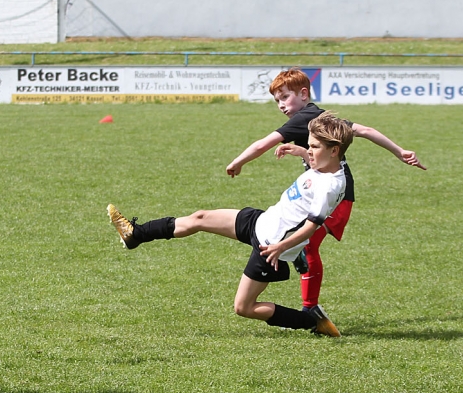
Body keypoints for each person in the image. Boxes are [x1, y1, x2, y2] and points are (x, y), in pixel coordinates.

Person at [107, 112, 354, 337]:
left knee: (243, 307)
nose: (309, 150)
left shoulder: (330, 187)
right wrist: (300, 152)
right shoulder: (327, 163)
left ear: (334, 150)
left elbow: (311, 227)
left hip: (270, 246)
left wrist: (281, 248)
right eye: (308, 145)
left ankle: (309, 320)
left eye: (313, 147)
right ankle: (135, 234)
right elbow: (318, 164)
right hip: (261, 221)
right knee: (200, 218)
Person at [226, 67, 425, 311]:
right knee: (305, 242)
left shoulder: (302, 119)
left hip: (336, 198)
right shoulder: (321, 118)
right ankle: (309, 303)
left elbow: (263, 144)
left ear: (303, 94)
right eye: (277, 100)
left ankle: (310, 308)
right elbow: (365, 130)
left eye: (285, 97)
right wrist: (399, 150)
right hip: (328, 191)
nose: (281, 105)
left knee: (308, 244)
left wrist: (238, 162)